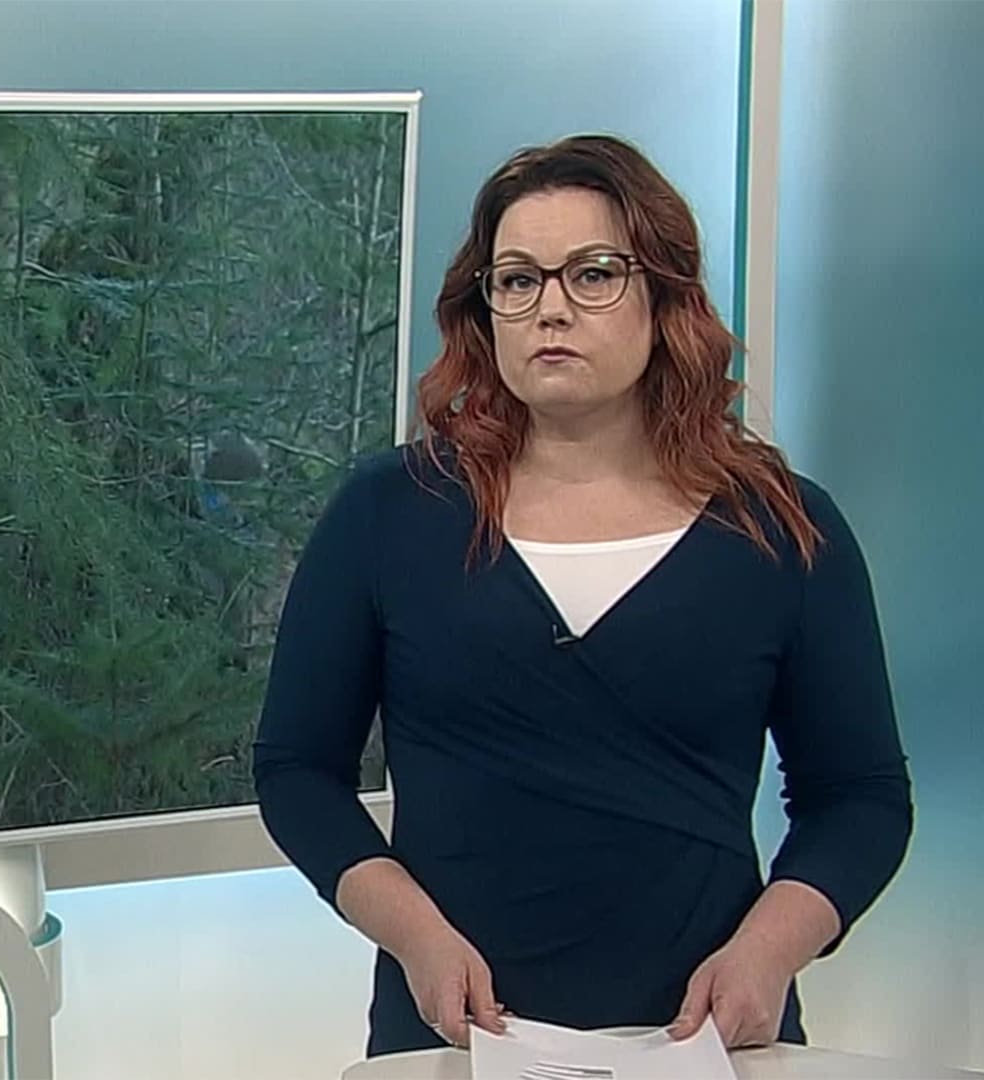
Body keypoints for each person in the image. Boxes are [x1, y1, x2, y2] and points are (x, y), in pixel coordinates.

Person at [251, 134, 913, 1059]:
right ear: (484, 308)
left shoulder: (781, 529)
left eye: (594, 274)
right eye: (518, 279)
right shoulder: (387, 515)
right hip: (457, 1042)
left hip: (706, 1043)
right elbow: (296, 769)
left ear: (665, 296)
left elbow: (859, 797)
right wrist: (414, 936)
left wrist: (769, 952)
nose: (550, 308)